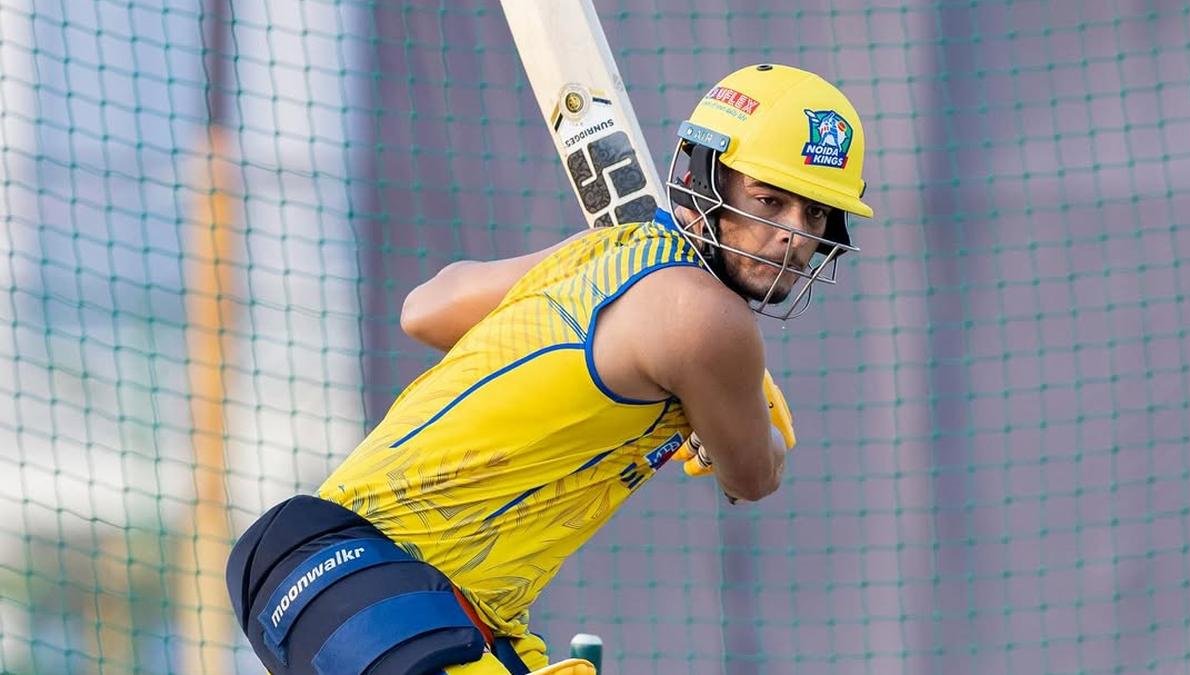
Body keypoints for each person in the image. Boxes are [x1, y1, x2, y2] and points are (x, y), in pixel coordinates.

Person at [225, 63, 874, 675]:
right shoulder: (709, 321)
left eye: (814, 212)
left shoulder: (607, 255)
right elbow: (754, 475)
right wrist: (749, 413)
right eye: (769, 200)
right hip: (372, 580)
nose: (793, 234)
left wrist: (586, 276)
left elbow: (425, 309)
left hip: (381, 586)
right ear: (706, 178)